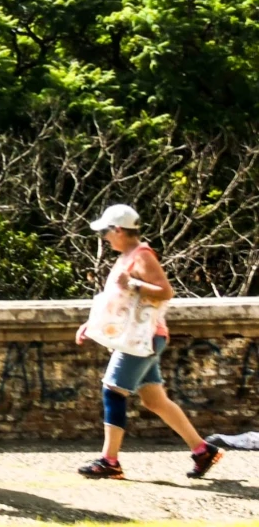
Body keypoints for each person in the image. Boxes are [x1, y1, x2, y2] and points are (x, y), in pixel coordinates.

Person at [74, 204, 222, 480]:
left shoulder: (141, 255)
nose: (104, 238)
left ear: (118, 230)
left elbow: (165, 291)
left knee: (112, 389)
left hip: (143, 339)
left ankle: (109, 461)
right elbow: (117, 301)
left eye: (105, 232)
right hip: (144, 337)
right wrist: (91, 324)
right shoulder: (128, 256)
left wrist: (132, 283)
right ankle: (202, 450)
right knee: (155, 400)